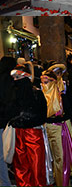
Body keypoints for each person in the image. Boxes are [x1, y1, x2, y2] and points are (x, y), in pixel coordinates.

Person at [10, 63, 47, 187]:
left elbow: (42, 116)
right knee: (21, 167)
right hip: (19, 134)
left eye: (18, 78)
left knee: (37, 167)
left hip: (33, 134)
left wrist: (24, 119)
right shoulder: (14, 94)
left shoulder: (37, 94)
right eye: (14, 78)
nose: (15, 81)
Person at [41, 64, 72, 187]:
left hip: (59, 128)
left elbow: (69, 111)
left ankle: (62, 181)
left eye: (46, 82)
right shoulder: (41, 96)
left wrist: (60, 118)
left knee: (60, 158)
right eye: (42, 82)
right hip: (45, 130)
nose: (44, 85)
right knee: (49, 159)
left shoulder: (62, 95)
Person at [0, 56, 16, 187]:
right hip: (2, 121)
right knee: (2, 154)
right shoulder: (6, 79)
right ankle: (5, 182)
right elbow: (7, 101)